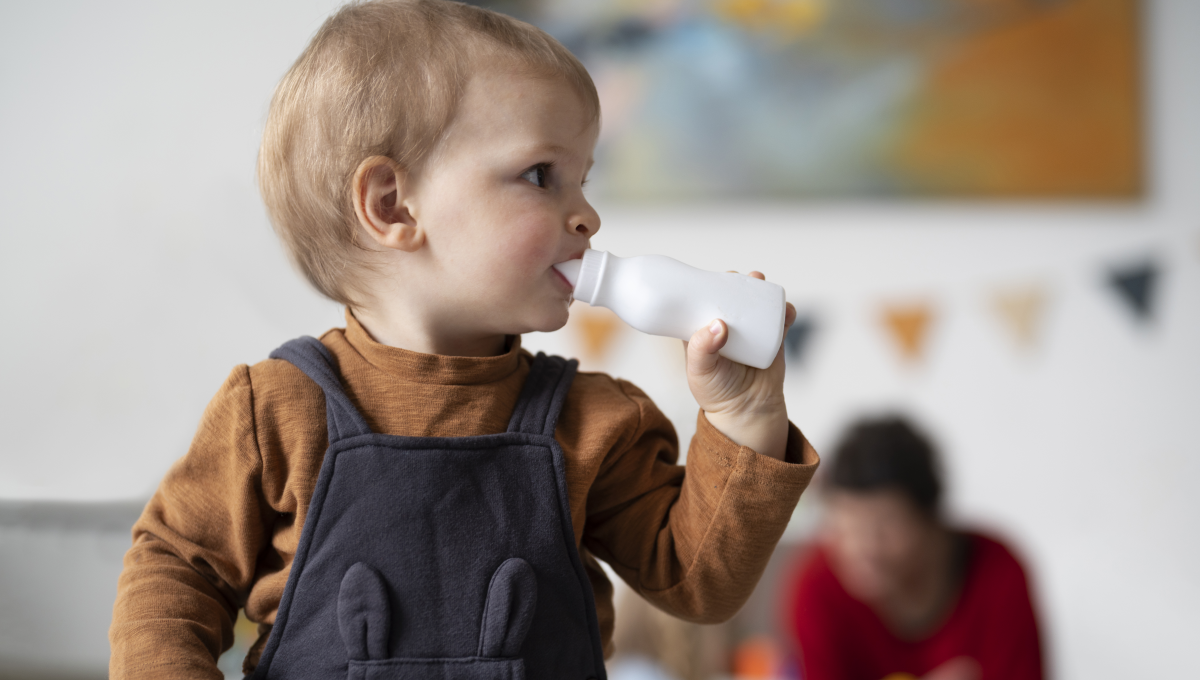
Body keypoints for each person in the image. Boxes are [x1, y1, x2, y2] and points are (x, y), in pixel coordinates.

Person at [108, 1, 820, 677]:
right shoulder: (273, 412)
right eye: (543, 176)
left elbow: (699, 583)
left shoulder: (597, 422)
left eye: (584, 180)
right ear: (392, 205)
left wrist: (743, 414)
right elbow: (173, 572)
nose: (589, 217)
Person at [783, 417, 1044, 680]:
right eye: (846, 526)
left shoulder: (997, 572)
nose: (864, 548)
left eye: (887, 524)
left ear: (930, 519)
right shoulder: (818, 585)